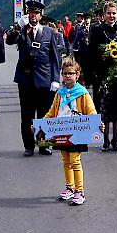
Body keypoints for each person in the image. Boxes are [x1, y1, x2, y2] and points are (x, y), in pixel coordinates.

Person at [6, 0, 61, 157]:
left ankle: (44, 145)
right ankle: (29, 146)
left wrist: (55, 79)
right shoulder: (21, 31)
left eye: (36, 13)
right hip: (25, 80)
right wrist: (17, 27)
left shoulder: (49, 33)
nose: (33, 16)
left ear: (41, 15)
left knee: (45, 115)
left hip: (44, 80)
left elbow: (55, 57)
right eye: (30, 13)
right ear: (27, 14)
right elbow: (9, 41)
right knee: (27, 115)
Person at [41, 60, 101, 206]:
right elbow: (51, 112)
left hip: (77, 132)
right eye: (65, 73)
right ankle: (70, 187)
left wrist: (97, 124)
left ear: (77, 74)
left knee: (75, 160)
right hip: (61, 132)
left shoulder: (82, 93)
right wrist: (40, 125)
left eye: (71, 73)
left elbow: (91, 111)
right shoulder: (59, 94)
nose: (67, 76)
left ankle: (79, 191)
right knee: (66, 160)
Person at [88, 1, 117, 151]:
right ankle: (105, 140)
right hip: (102, 75)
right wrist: (103, 56)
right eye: (109, 13)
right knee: (103, 108)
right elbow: (91, 51)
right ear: (104, 15)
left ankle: (115, 140)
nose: (112, 16)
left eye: (114, 13)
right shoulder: (96, 30)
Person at [72, 13, 92, 86]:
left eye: (88, 18)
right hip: (83, 50)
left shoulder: (93, 28)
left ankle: (89, 81)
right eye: (86, 19)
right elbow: (77, 38)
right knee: (83, 66)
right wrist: (75, 48)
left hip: (90, 51)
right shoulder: (81, 28)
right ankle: (85, 81)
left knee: (89, 67)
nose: (87, 20)